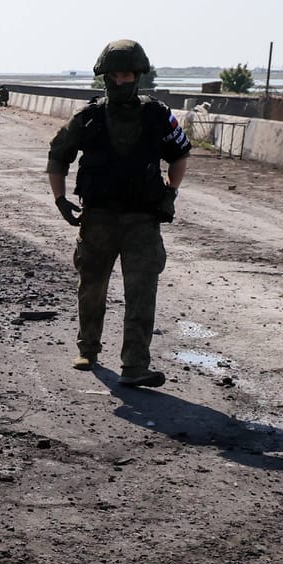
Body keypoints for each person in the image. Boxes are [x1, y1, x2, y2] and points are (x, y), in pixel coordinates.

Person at [45, 39, 191, 387]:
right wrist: (60, 199)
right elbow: (57, 157)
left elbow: (180, 154)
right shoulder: (88, 117)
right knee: (92, 287)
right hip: (98, 219)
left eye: (128, 75)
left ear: (138, 76)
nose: (122, 81)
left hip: (143, 219)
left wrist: (170, 192)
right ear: (104, 78)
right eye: (115, 75)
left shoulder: (158, 115)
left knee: (142, 292)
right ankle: (88, 349)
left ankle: (135, 365)